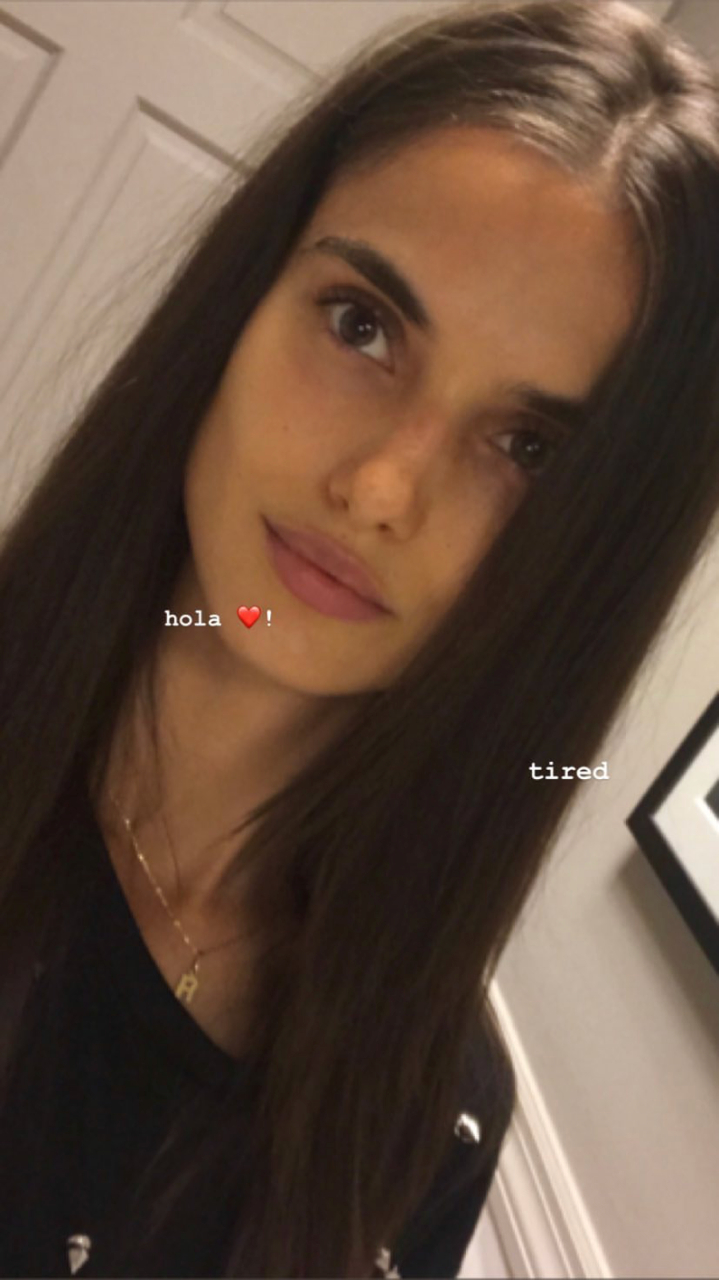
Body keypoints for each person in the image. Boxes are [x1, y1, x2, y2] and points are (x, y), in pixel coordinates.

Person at [1, 0, 719, 1274]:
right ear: (242, 300)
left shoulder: (420, 1122)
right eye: (361, 325)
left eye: (527, 449)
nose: (382, 488)